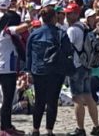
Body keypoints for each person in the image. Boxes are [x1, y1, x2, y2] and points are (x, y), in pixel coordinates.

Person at [0, 0, 31, 136]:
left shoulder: (2, 32)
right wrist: (31, 21)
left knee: (9, 98)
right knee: (7, 100)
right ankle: (4, 128)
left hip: (8, 67)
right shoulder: (5, 32)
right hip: (4, 69)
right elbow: (20, 28)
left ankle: (8, 125)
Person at [26, 7, 66, 136]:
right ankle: (49, 130)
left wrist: (29, 71)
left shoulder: (34, 34)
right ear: (54, 18)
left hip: (39, 71)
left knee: (39, 100)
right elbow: (68, 51)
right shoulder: (60, 33)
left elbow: (28, 55)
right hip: (56, 71)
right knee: (52, 101)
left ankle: (35, 129)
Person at [65, 3, 99, 136]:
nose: (68, 16)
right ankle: (96, 126)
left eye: (70, 13)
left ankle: (80, 129)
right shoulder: (84, 26)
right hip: (87, 65)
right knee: (88, 96)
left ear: (76, 14)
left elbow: (67, 47)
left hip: (76, 66)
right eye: (67, 13)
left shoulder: (72, 30)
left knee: (77, 98)